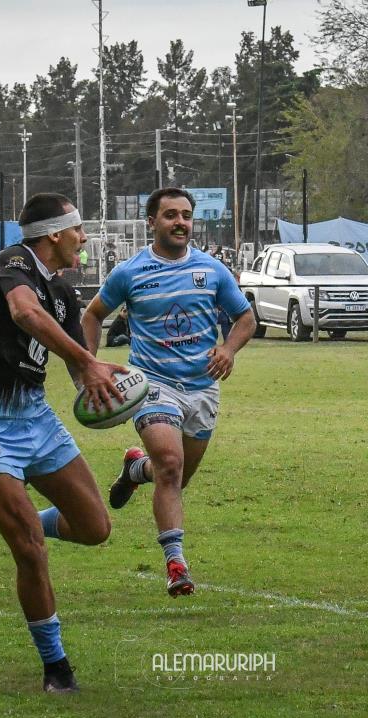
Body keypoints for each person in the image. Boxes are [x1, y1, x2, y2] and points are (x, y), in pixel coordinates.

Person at [0, 193, 126, 694]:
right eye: (78, 229)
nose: (84, 238)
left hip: (37, 419)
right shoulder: (13, 262)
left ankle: (30, 520)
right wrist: (86, 361)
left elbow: (78, 368)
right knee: (30, 550)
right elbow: (25, 313)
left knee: (94, 528)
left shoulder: (64, 292)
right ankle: (57, 667)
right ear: (53, 234)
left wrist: (105, 384)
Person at [81, 187, 256, 597]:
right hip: (151, 384)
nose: (180, 223)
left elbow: (245, 318)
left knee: (176, 476)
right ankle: (176, 564)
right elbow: (93, 315)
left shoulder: (212, 270)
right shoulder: (129, 273)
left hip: (203, 388)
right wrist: (89, 367)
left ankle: (135, 470)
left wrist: (229, 349)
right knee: (171, 464)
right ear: (152, 222)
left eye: (186, 216)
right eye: (171, 215)